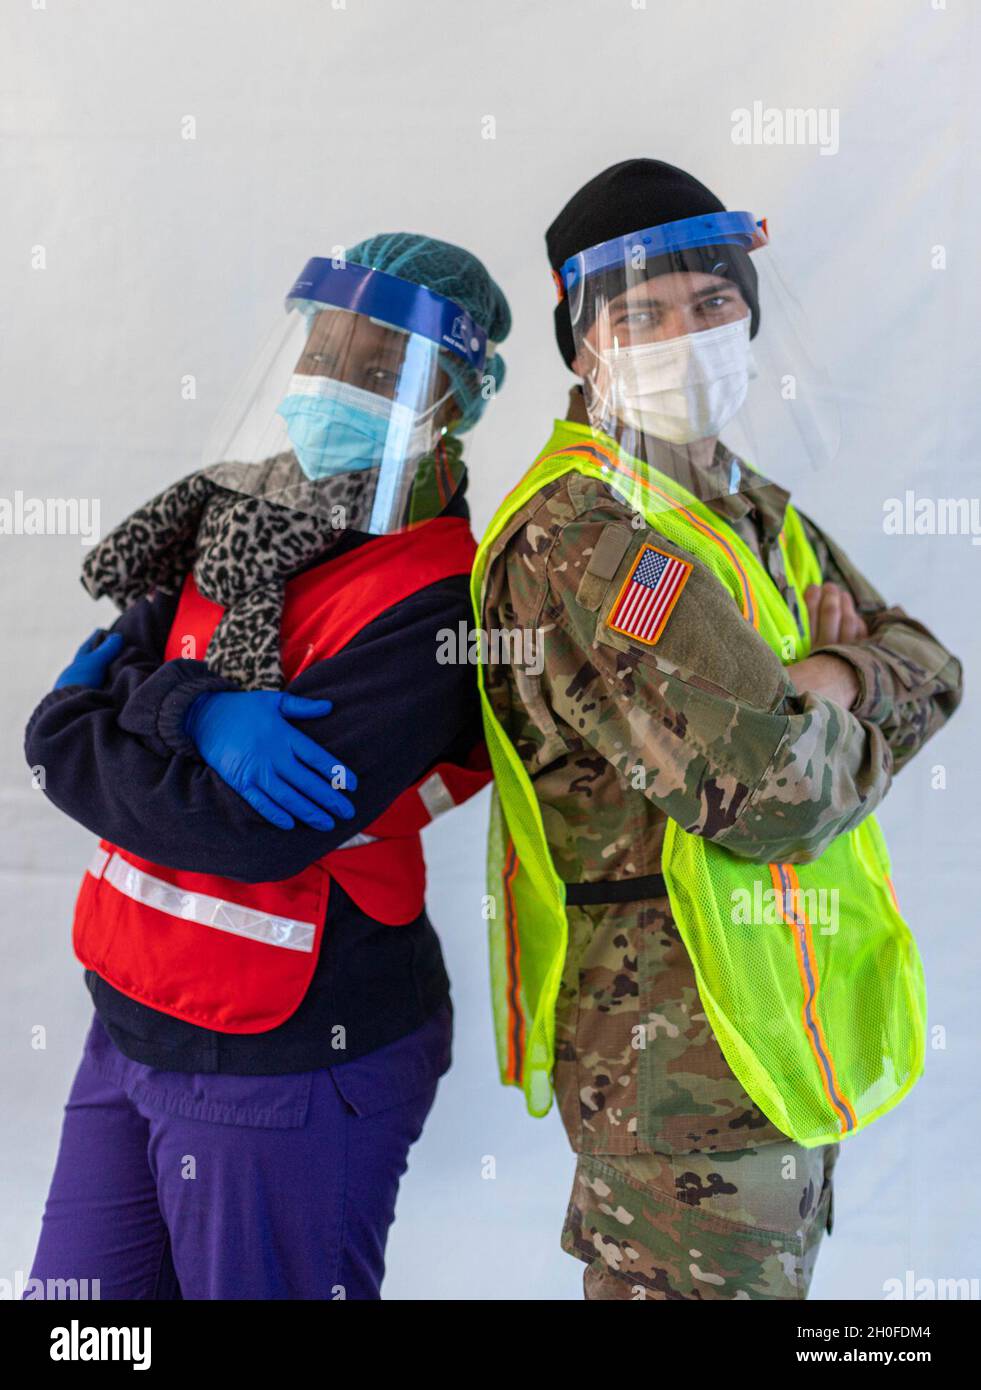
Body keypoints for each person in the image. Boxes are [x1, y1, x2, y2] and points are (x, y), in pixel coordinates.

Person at [471, 160, 962, 1300]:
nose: (682, 337)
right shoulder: (589, 534)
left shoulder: (749, 507)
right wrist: (813, 703)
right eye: (639, 316)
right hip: (673, 1083)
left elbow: (934, 669)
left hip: (775, 1050)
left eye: (710, 303)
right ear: (583, 346)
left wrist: (825, 674)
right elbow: (777, 792)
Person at [24, 233, 511, 1300]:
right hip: (133, 1022)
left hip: (288, 1060)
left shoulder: (436, 605)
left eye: (383, 369)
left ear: (456, 407)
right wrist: (193, 711)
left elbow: (250, 830)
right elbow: (71, 720)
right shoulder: (240, 517)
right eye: (324, 352)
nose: (337, 384)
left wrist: (109, 721)